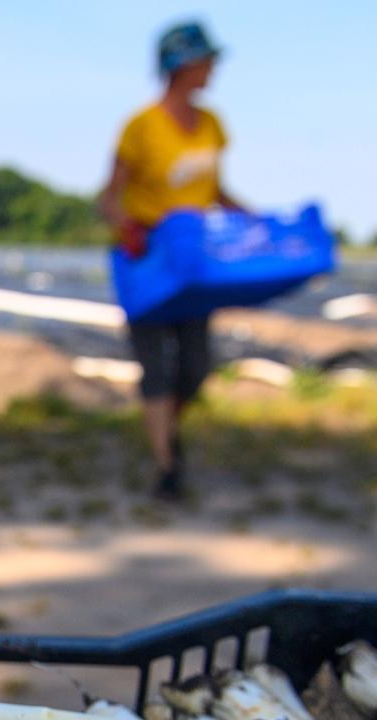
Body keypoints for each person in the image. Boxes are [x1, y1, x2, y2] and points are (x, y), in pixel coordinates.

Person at [99, 20, 244, 501]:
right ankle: (167, 467)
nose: (214, 68)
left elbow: (216, 191)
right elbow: (109, 197)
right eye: (207, 60)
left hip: (196, 263)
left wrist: (260, 224)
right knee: (156, 366)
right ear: (181, 65)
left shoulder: (213, 124)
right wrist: (127, 227)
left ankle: (166, 428)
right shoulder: (141, 127)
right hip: (148, 258)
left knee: (195, 366)